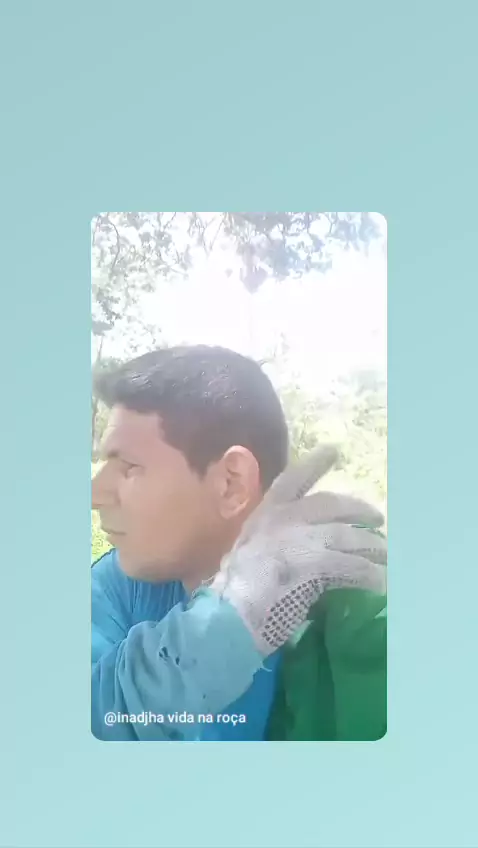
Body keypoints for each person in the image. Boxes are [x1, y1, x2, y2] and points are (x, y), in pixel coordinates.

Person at [92, 345, 387, 741]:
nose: (94, 494)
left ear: (231, 483)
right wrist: (226, 623)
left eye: (128, 467)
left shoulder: (358, 595)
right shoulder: (118, 585)